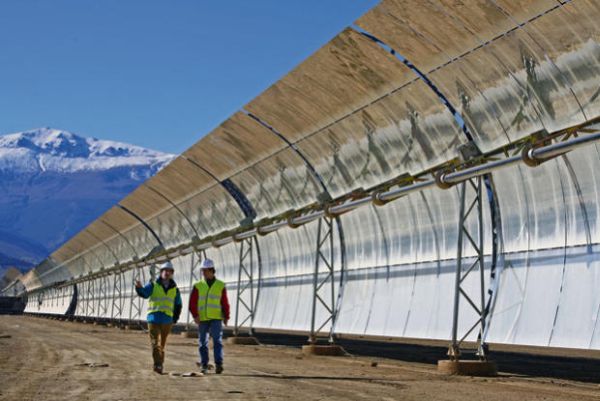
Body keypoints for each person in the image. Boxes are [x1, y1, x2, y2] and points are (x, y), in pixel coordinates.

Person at [135, 261, 182, 374]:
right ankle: (158, 364)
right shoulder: (153, 285)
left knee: (162, 344)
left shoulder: (175, 289)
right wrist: (139, 288)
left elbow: (178, 304)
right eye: (165, 271)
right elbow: (145, 293)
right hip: (153, 319)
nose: (167, 273)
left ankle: (159, 363)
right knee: (155, 343)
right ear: (160, 272)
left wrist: (175, 318)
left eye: (169, 271)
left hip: (167, 320)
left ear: (172, 274)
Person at [189, 258, 230, 374]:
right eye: (202, 271)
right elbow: (192, 303)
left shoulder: (220, 285)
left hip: (216, 318)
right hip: (202, 318)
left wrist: (226, 316)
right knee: (203, 342)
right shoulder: (198, 285)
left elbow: (224, 302)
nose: (204, 273)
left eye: (206, 270)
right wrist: (195, 315)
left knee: (217, 341)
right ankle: (204, 364)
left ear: (212, 270)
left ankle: (219, 364)